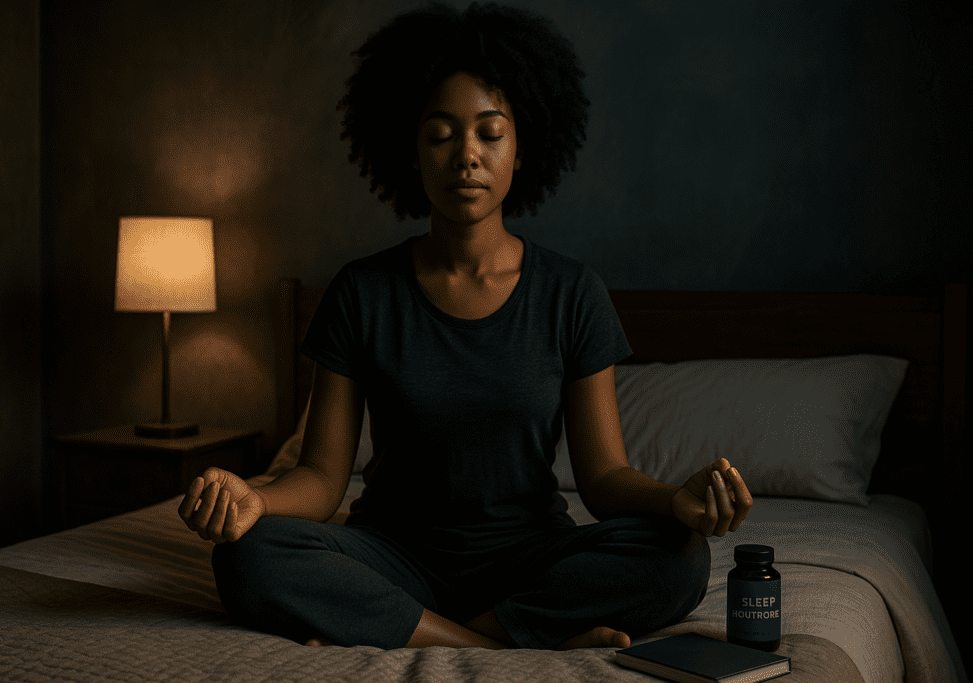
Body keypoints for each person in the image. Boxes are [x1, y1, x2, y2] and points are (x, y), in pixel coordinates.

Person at [178, 1, 753, 651]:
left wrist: (675, 499)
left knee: (679, 557)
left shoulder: (571, 292)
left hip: (529, 559)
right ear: (410, 149)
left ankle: (412, 632)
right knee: (247, 552)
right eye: (441, 133)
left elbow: (604, 478)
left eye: (489, 131)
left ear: (522, 144)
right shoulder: (361, 292)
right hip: (390, 557)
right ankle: (493, 643)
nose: (466, 156)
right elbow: (320, 479)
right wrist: (254, 497)